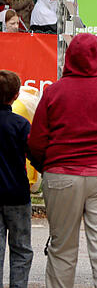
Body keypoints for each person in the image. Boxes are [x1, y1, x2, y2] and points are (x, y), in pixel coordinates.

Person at [28, 34, 97, 288]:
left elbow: (35, 142)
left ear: (69, 59)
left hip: (61, 175)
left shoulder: (53, 92)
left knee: (62, 248)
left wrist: (48, 165)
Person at [0, 70, 32, 288]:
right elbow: (35, 154)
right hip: (17, 194)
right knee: (21, 249)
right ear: (16, 95)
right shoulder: (21, 124)